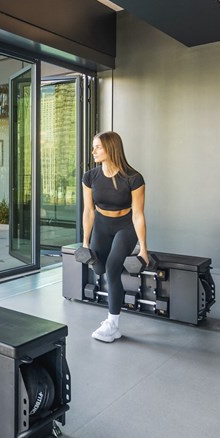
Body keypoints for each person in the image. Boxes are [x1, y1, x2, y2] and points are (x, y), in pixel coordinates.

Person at [81, 131, 147, 343]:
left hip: (124, 226)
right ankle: (111, 320)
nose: (93, 151)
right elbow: (89, 211)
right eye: (93, 147)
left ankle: (113, 324)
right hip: (102, 225)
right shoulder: (90, 177)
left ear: (111, 148)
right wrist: (85, 243)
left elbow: (138, 214)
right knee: (99, 268)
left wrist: (144, 249)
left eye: (98, 147)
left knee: (111, 269)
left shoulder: (133, 178)